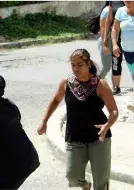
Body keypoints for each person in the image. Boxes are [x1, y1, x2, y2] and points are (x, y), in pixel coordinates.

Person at [37, 49, 118, 190]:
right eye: (73, 65)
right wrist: (44, 122)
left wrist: (106, 126)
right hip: (74, 136)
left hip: (99, 138)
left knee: (101, 182)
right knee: (72, 175)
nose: (75, 69)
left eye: (80, 65)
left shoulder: (100, 84)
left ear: (88, 64)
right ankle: (85, 185)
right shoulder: (66, 83)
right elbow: (55, 100)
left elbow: (114, 111)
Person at [111, 1, 134, 111]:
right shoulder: (120, 11)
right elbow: (115, 29)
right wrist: (115, 44)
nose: (128, 2)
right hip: (127, 51)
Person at [98, 1, 124, 95]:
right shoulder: (112, 3)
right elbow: (106, 23)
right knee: (113, 64)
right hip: (114, 39)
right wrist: (104, 41)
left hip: (127, 37)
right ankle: (115, 87)